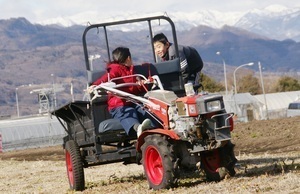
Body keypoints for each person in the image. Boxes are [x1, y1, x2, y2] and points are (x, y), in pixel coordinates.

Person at [89, 47, 152, 137]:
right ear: (128, 58)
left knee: (143, 109)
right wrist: (95, 85)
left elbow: (138, 86)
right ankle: (137, 128)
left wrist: (141, 84)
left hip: (132, 101)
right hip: (119, 104)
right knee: (128, 112)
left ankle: (154, 128)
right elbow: (106, 78)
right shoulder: (115, 69)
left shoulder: (132, 70)